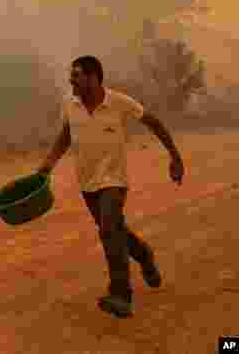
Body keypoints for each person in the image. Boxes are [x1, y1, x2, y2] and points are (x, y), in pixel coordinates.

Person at [38, 55, 185, 318]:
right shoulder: (71, 105)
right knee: (114, 230)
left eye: (76, 75)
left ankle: (121, 294)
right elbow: (66, 135)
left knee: (108, 229)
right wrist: (48, 165)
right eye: (71, 75)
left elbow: (153, 122)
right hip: (87, 182)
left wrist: (175, 156)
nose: (71, 80)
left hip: (114, 180)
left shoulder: (119, 102)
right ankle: (143, 254)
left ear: (93, 78)